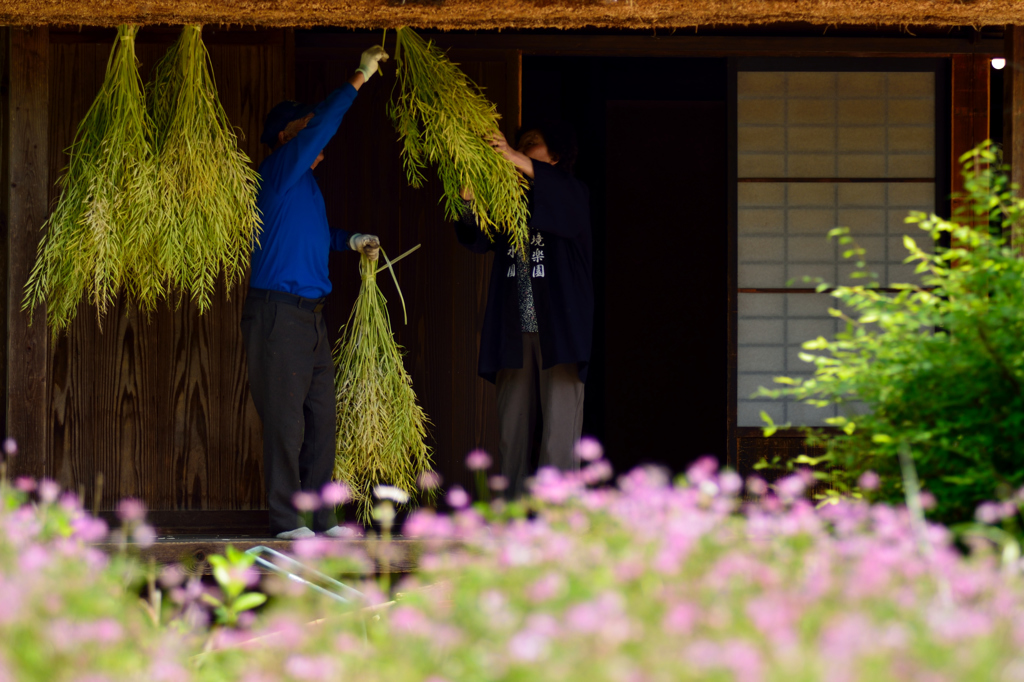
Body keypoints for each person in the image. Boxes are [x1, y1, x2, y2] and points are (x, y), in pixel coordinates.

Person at [241, 46, 388, 540]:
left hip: (310, 315)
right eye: (306, 126)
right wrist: (359, 76)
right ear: (288, 136)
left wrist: (350, 240)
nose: (317, 134)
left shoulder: (305, 186)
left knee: (321, 417)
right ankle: (287, 522)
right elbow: (324, 123)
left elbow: (314, 236)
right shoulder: (280, 170)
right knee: (286, 421)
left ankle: (322, 520)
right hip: (278, 313)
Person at [454, 123, 593, 498]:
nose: (520, 149)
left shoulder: (573, 194)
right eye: (520, 145)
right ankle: (510, 508)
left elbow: (564, 198)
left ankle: (556, 512)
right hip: (514, 331)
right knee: (511, 429)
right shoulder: (506, 201)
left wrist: (511, 155)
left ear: (555, 157)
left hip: (559, 331)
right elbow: (477, 239)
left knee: (560, 431)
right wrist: (468, 202)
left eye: (532, 145)